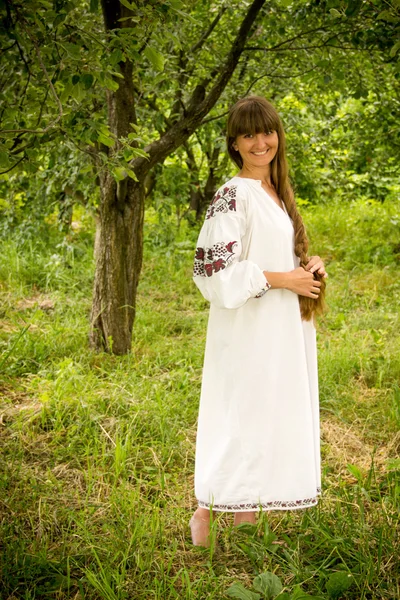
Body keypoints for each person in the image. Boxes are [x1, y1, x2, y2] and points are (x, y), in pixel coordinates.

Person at [190, 96, 327, 547]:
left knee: (262, 415)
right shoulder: (233, 194)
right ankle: (207, 517)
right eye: (248, 134)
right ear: (234, 142)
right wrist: (283, 278)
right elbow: (212, 273)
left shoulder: (274, 191)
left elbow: (271, 253)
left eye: (266, 132)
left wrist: (306, 267)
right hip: (248, 328)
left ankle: (241, 521)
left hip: (278, 327)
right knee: (240, 416)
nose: (260, 142)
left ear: (277, 136)